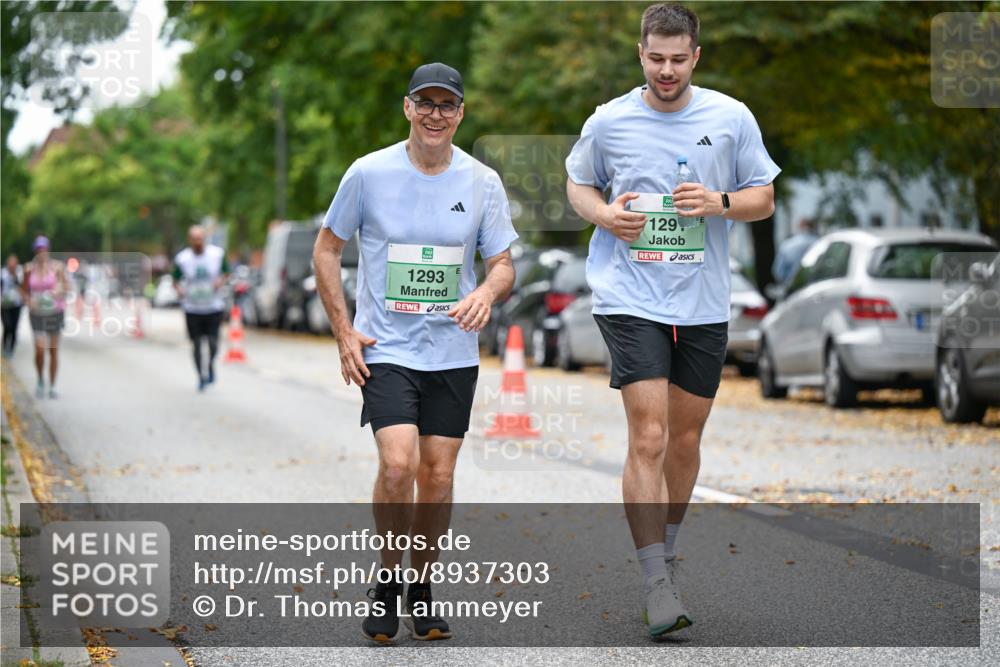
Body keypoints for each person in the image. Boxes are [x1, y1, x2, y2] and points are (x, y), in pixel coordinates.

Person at [565, 3, 780, 640]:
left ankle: (669, 551)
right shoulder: (610, 121)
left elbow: (763, 197)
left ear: (696, 57)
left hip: (703, 300)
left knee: (685, 442)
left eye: (677, 60)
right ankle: (655, 579)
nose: (666, 70)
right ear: (641, 54)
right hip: (629, 296)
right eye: (655, 59)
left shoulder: (730, 117)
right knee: (651, 436)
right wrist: (604, 217)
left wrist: (717, 202)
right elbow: (578, 184)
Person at [313, 62, 517, 643]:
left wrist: (484, 291)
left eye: (446, 105)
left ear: (460, 113)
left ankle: (421, 586)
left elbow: (503, 263)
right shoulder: (368, 173)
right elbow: (327, 251)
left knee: (439, 475)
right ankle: (386, 579)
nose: (435, 114)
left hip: (452, 353)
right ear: (407, 108)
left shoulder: (482, 182)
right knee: (399, 464)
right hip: (389, 347)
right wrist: (344, 331)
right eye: (424, 103)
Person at [173, 226, 229, 391]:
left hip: (213, 306)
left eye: (200, 238)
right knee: (196, 343)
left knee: (213, 343)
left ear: (204, 238)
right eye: (194, 238)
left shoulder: (217, 254)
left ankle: (210, 364)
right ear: (190, 240)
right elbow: (175, 279)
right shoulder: (182, 258)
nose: (198, 241)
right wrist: (180, 291)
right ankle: (201, 376)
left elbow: (226, 272)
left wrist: (220, 282)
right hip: (192, 308)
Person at [22, 237, 71, 398]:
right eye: (38, 249)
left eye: (44, 248)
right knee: (40, 351)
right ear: (35, 251)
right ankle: (40, 379)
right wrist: (29, 301)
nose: (41, 252)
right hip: (37, 314)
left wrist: (58, 292)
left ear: (48, 249)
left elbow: (67, 288)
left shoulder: (57, 267)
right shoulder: (28, 269)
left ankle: (53, 385)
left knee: (53, 350)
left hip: (55, 312)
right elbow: (24, 291)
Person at [772, 217, 819, 284]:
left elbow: (778, 272)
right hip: (816, 286)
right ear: (813, 227)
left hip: (793, 288)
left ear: (799, 226)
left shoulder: (787, 244)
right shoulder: (820, 243)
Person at [1, 254, 24, 357]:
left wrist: (14, 276)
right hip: (4, 304)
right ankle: (4, 346)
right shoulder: (2, 273)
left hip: (16, 304)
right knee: (7, 326)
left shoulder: (20, 273)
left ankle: (11, 348)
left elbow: (22, 286)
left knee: (14, 327)